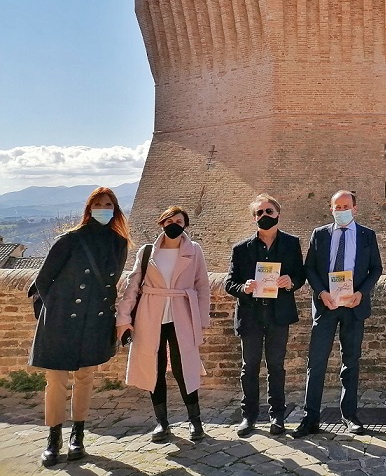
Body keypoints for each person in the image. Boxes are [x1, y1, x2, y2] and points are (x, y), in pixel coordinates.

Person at [29, 187, 131, 467]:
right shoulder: (70, 240)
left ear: (115, 209)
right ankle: (53, 438)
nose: (103, 208)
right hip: (61, 321)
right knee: (56, 380)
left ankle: (78, 435)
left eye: (108, 204)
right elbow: (43, 280)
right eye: (98, 204)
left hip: (95, 320)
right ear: (89, 208)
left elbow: (111, 283)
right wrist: (58, 310)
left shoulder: (118, 243)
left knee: (85, 379)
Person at [116, 206, 211, 443]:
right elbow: (133, 285)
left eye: (179, 220)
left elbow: (202, 287)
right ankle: (161, 422)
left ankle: (195, 421)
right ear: (161, 223)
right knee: (153, 367)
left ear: (185, 225)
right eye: (170, 220)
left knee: (184, 368)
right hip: (151, 314)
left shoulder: (194, 250)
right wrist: (124, 318)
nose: (174, 224)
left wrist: (201, 320)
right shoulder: (147, 252)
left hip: (182, 314)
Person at [292, 190, 383, 438]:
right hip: (326, 306)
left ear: (355, 208)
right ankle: (311, 417)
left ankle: (350, 415)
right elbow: (309, 267)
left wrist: (361, 293)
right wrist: (321, 292)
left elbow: (376, 268)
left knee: (350, 362)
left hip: (354, 307)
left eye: (346, 206)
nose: (341, 210)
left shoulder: (367, 235)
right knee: (316, 362)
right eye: (337, 207)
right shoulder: (320, 234)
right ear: (331, 209)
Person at [226, 194, 306, 436]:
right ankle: (249, 416)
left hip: (278, 314)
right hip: (250, 315)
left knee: (276, 367)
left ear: (277, 214)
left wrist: (290, 282)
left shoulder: (292, 244)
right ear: (254, 218)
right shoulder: (240, 249)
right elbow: (230, 283)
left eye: (268, 212)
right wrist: (244, 288)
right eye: (259, 213)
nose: (264, 216)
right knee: (249, 367)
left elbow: (300, 276)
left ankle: (277, 416)